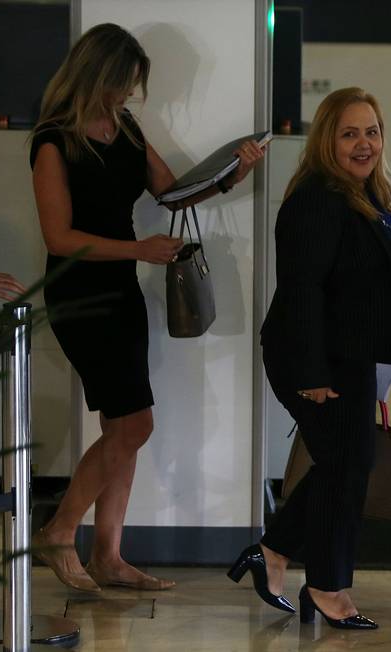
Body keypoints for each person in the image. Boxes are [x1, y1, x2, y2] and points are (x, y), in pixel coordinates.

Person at [29, 23, 265, 593]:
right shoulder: (52, 140)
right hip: (79, 296)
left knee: (121, 426)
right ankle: (60, 532)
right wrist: (138, 249)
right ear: (98, 74)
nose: (129, 96)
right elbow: (59, 238)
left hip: (121, 295)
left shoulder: (127, 129)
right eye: (123, 84)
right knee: (135, 425)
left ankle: (109, 555)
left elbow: (172, 193)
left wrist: (234, 174)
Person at [227, 86, 391, 626]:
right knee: (347, 464)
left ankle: (278, 555)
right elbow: (302, 290)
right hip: (316, 359)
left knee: (347, 463)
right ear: (326, 141)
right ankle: (327, 586)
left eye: (372, 131)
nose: (364, 143)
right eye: (349, 133)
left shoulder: (367, 194)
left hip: (355, 356)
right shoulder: (318, 197)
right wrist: (312, 373)